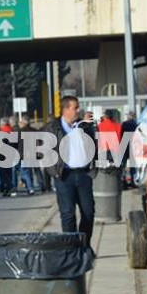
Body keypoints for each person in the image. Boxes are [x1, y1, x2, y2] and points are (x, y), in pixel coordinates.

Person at [45, 95, 97, 242]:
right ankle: (71, 249)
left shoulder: (83, 126)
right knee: (68, 214)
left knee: (88, 212)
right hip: (64, 175)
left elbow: (93, 144)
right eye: (75, 108)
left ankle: (84, 246)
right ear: (66, 109)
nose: (78, 110)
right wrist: (54, 173)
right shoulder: (53, 128)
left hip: (83, 175)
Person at [17, 117, 36, 195]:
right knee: (29, 171)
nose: (19, 124)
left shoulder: (20, 132)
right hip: (32, 153)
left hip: (23, 154)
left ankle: (30, 187)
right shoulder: (33, 131)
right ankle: (30, 187)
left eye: (20, 122)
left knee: (24, 172)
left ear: (24, 123)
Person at [120, 110, 138, 187]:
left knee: (123, 165)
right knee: (133, 166)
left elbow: (120, 134)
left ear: (128, 116)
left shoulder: (123, 124)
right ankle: (133, 182)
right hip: (133, 147)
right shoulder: (136, 125)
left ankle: (123, 182)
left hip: (124, 146)